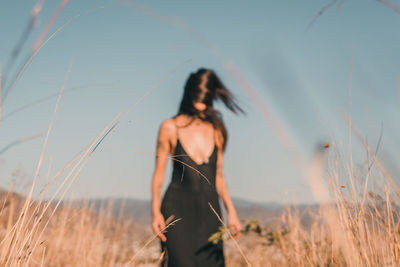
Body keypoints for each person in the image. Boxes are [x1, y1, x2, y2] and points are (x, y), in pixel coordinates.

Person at [151, 68, 244, 267]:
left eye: (205, 98)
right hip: (176, 213)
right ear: (188, 94)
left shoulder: (217, 130)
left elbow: (219, 176)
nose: (200, 104)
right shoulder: (169, 127)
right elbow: (158, 175)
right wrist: (155, 211)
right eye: (197, 97)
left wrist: (231, 211)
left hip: (211, 214)